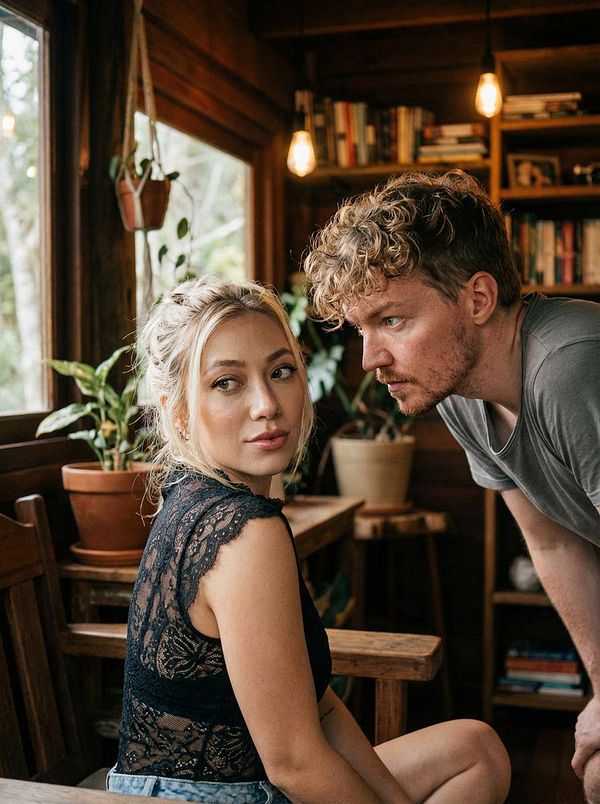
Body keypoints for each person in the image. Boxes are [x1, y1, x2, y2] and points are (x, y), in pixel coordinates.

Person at [107, 276, 510, 802]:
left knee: (475, 749)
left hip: (216, 782)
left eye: (280, 372)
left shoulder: (197, 495)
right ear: (178, 411)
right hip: (222, 795)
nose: (267, 405)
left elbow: (317, 705)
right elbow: (295, 764)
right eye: (227, 382)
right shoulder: (244, 534)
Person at [303, 169, 600, 802]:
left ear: (478, 299)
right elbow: (553, 546)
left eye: (392, 320)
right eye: (362, 329)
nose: (370, 358)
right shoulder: (463, 394)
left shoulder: (571, 369)